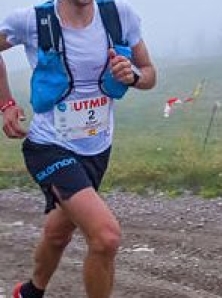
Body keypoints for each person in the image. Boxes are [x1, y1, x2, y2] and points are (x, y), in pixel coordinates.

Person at [0, 0, 156, 297]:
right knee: (105, 237)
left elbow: (149, 73)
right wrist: (6, 103)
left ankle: (30, 292)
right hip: (49, 146)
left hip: (97, 147)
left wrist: (133, 76)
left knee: (59, 232)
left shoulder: (118, 15)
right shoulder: (32, 21)